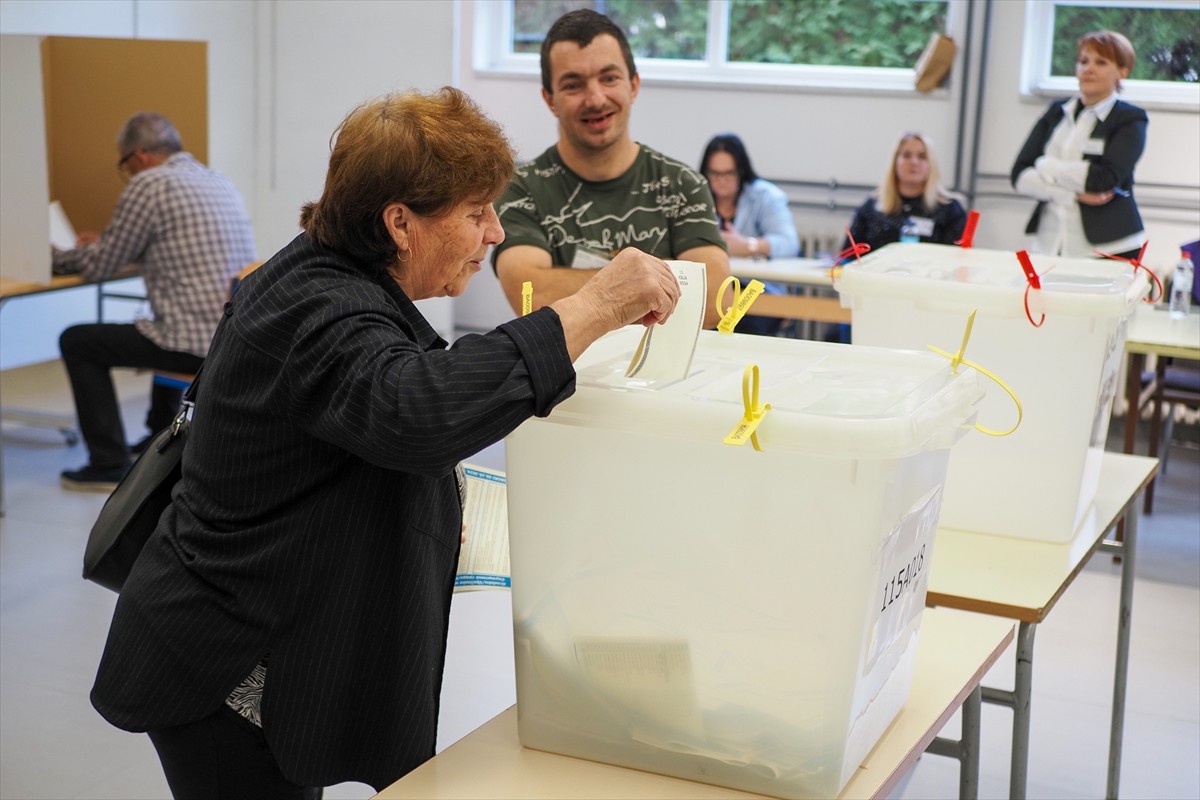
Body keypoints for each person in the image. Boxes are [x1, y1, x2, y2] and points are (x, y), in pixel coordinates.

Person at [89, 88, 680, 798]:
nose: (493, 233)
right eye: (474, 213)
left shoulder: (334, 277)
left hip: (259, 643)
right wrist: (595, 305)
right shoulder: (319, 308)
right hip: (223, 670)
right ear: (400, 222)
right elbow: (416, 410)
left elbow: (367, 421)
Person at [52, 112, 256, 491]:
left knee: (77, 340)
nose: (126, 172)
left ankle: (107, 461)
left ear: (140, 156)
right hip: (230, 334)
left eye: (123, 164)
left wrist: (51, 255)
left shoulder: (149, 184)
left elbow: (100, 265)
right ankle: (157, 437)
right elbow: (166, 247)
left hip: (192, 344)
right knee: (165, 318)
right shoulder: (216, 180)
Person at [493, 8, 730, 329]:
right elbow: (532, 297)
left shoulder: (682, 184)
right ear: (550, 99)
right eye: (573, 85)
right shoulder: (521, 188)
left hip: (665, 376)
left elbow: (715, 300)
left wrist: (590, 293)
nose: (595, 98)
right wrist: (648, 283)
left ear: (633, 84)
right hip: (567, 375)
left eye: (609, 78)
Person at [1011, 30, 1146, 259]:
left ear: (1122, 72)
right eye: (1083, 61)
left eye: (1100, 62)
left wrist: (1046, 166)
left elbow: (1104, 179)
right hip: (1050, 241)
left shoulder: (1130, 119)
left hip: (1110, 246)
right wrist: (1071, 194)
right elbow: (1019, 174)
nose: (1088, 68)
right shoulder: (1056, 112)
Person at [700, 133, 799, 336]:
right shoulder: (697, 197)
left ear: (741, 171)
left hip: (757, 290)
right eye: (715, 174)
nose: (721, 181)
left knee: (742, 325)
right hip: (712, 287)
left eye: (729, 174)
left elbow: (789, 243)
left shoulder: (766, 196)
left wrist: (747, 246)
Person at [841, 131, 967, 255]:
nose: (914, 162)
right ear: (895, 162)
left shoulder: (950, 210)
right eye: (906, 155)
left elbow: (956, 263)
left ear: (931, 164)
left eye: (922, 156)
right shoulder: (871, 207)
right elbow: (847, 258)